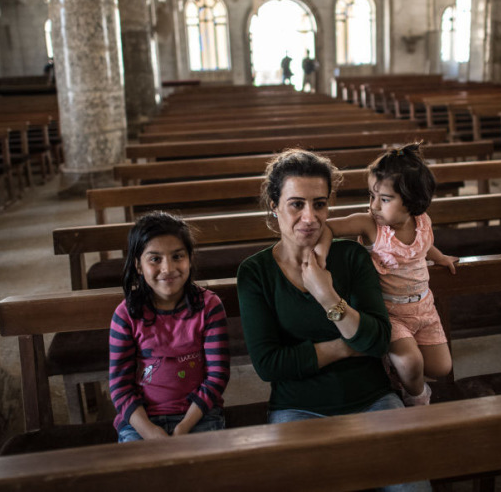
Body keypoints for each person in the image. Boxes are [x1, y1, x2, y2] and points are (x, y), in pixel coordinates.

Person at [237, 149, 431, 492]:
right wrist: (348, 344)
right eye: (297, 204)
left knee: (411, 487)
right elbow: (270, 364)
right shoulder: (256, 273)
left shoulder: (352, 256)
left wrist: (326, 295)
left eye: (320, 204)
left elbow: (376, 340)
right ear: (274, 204)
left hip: (373, 400)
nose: (310, 217)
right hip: (298, 409)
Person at [314, 144, 457, 406]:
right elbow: (328, 228)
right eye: (371, 195)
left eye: (385, 199)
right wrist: (321, 254)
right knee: (412, 363)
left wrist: (440, 257)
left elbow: (424, 246)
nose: (374, 206)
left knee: (441, 367)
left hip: (424, 308)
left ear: (412, 202)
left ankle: (398, 370)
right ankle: (416, 397)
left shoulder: (422, 221)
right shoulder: (370, 225)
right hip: (389, 312)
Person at [109, 212, 230, 442]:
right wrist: (149, 431)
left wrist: (183, 427)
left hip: (199, 414)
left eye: (177, 256)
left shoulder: (209, 306)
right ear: (138, 265)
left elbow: (217, 376)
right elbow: (119, 386)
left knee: (203, 472)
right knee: (142, 475)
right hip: (141, 420)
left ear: (190, 258)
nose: (168, 268)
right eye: (155, 259)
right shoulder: (126, 314)